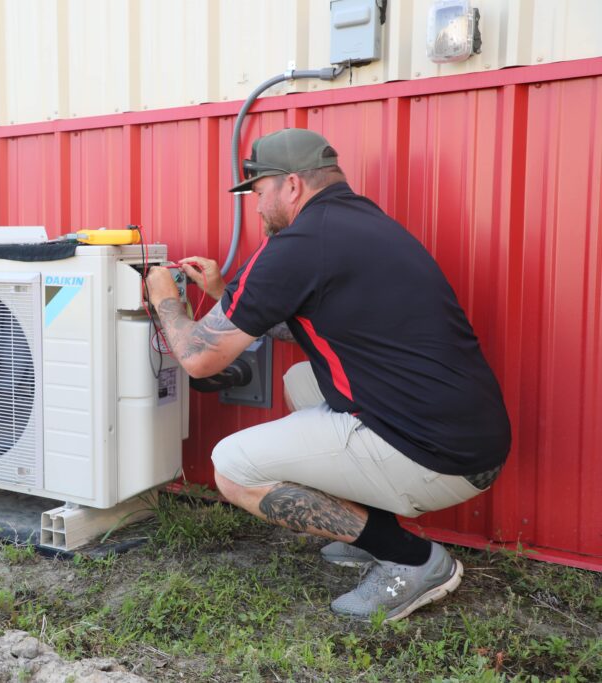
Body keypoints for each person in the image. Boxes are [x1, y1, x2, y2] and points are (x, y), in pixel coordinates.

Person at [145, 128, 511, 621]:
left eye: (257, 192)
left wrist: (165, 297)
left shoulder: (298, 244)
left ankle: (412, 560)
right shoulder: (363, 222)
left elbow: (197, 357)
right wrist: (224, 289)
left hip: (435, 455)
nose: (255, 207)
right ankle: (368, 526)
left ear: (291, 185)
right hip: (469, 437)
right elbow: (319, 322)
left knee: (232, 467)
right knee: (301, 380)